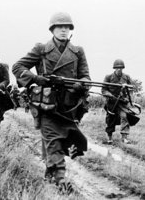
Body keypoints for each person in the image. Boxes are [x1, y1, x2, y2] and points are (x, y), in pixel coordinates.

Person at [12, 12, 90, 193]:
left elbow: (86, 76)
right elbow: (18, 67)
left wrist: (79, 84)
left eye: (67, 27)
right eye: (59, 27)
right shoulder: (41, 49)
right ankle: (61, 179)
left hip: (69, 107)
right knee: (53, 139)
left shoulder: (78, 51)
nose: (63, 30)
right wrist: (36, 78)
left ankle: (49, 175)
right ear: (52, 29)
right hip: (47, 106)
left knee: (62, 140)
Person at [101, 59, 133, 144]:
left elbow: (131, 88)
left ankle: (124, 137)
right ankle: (110, 138)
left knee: (125, 117)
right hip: (112, 102)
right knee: (110, 119)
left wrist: (127, 88)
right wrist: (109, 94)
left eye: (121, 68)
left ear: (123, 68)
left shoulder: (126, 77)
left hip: (122, 102)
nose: (119, 69)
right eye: (117, 68)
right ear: (114, 68)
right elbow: (103, 89)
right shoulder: (108, 77)